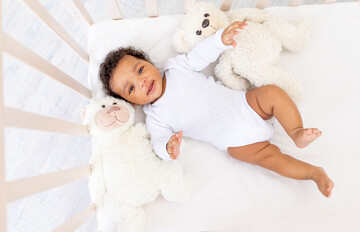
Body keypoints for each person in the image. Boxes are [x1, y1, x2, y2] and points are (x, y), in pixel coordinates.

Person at [99, 21, 334, 198]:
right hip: (237, 143)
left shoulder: (176, 68)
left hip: (248, 106)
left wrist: (221, 39)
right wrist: (168, 148)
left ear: (149, 63)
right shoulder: (155, 117)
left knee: (271, 92)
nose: (140, 82)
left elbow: (199, 56)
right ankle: (313, 173)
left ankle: (296, 132)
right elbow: (158, 142)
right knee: (271, 160)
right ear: (132, 103)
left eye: (140, 70)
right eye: (131, 88)